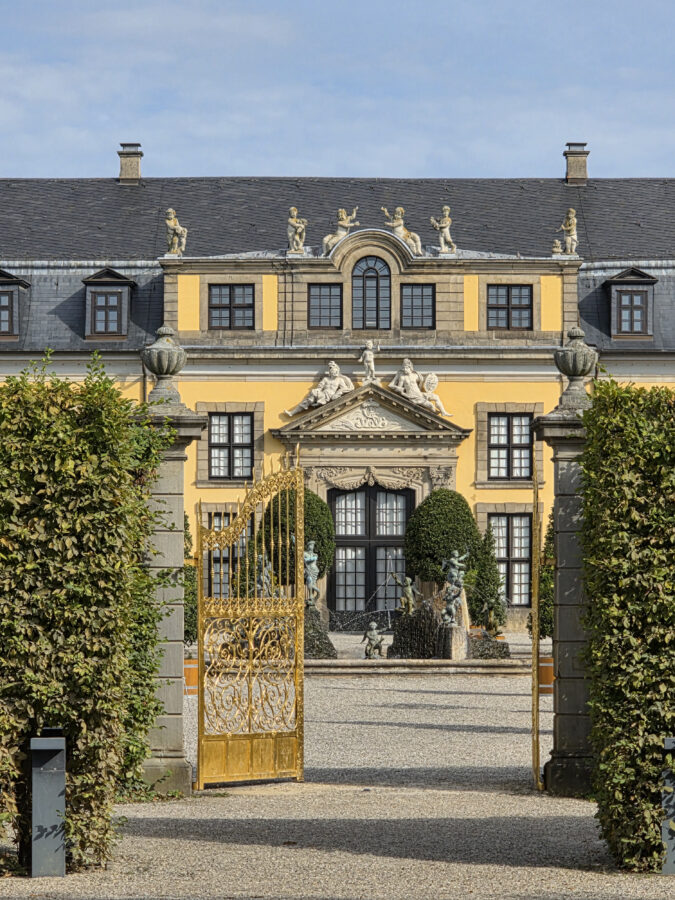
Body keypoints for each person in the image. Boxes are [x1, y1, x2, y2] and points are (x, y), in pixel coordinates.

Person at [284, 361, 354, 416]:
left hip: (330, 396)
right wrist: (317, 391)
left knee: (312, 396)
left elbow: (344, 388)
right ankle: (294, 412)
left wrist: (338, 394)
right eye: (333, 371)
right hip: (323, 394)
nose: (335, 372)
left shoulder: (340, 380)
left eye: (336, 371)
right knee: (313, 392)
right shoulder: (326, 379)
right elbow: (320, 387)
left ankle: (316, 403)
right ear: (330, 372)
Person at [303, 540, 320, 608]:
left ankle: (311, 597)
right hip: (308, 570)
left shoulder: (315, 554)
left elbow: (310, 559)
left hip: (315, 570)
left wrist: (310, 559)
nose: (311, 547)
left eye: (313, 545)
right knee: (309, 582)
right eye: (310, 545)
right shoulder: (304, 553)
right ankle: (317, 592)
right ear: (308, 546)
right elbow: (305, 560)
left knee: (313, 583)